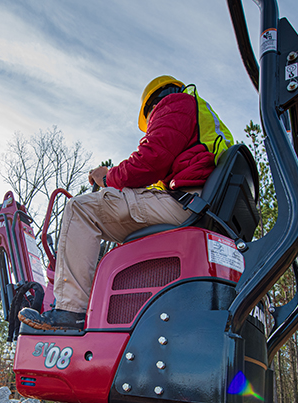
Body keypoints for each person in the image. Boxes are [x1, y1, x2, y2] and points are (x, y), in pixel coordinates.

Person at [19, 75, 233, 331]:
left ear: (152, 105)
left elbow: (148, 161)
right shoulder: (200, 118)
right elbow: (158, 174)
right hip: (197, 204)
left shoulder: (176, 103)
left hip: (186, 203)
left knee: (81, 209)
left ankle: (70, 311)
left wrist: (107, 177)